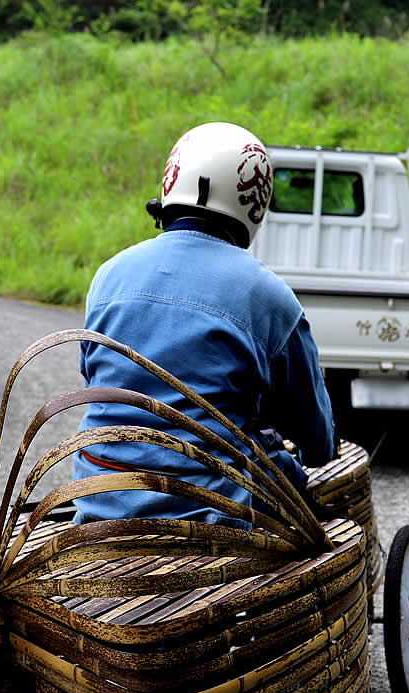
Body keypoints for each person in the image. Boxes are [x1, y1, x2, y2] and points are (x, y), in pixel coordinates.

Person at [72, 121, 335, 529]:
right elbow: (317, 442)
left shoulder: (108, 276)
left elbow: (96, 379)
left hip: (99, 501)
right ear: (255, 201)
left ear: (169, 185)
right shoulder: (270, 297)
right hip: (212, 518)